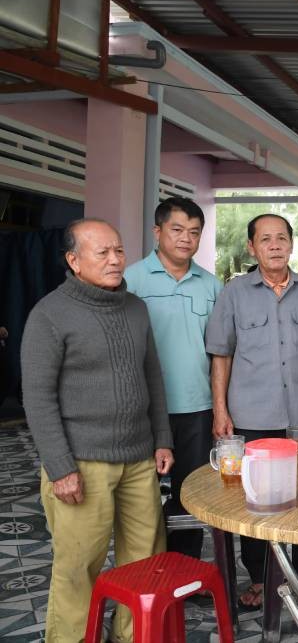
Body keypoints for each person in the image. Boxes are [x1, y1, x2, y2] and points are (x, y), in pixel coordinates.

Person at [21, 218, 173, 642]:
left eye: (119, 250)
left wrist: (161, 438)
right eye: (102, 252)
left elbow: (153, 377)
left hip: (139, 459)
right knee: (77, 567)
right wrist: (59, 467)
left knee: (144, 560)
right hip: (80, 463)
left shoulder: (135, 307)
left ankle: (133, 636)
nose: (114, 259)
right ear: (73, 260)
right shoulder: (49, 314)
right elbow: (37, 398)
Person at [205, 213, 298, 609]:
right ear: (252, 247)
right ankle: (260, 578)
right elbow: (222, 354)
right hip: (252, 416)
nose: (275, 245)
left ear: (291, 244)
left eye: (282, 238)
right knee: (256, 503)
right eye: (266, 239)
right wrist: (220, 408)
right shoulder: (235, 293)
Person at [124, 197, 223, 560]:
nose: (186, 239)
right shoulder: (130, 280)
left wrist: (220, 407)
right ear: (157, 231)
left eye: (194, 232)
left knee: (190, 492)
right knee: (141, 493)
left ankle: (184, 570)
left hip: (197, 406)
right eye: (177, 230)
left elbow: (219, 355)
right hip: (144, 408)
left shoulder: (211, 286)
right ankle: (144, 568)